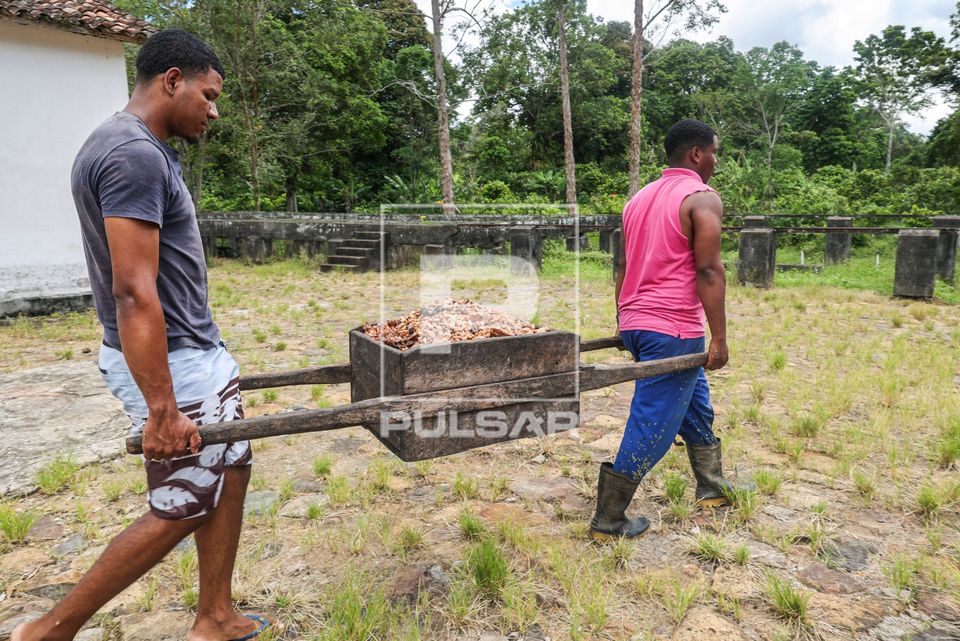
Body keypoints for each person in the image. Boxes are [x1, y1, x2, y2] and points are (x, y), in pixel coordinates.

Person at [14, 29, 276, 641]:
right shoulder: (131, 154)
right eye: (209, 96)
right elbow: (133, 290)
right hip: (176, 362)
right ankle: (49, 630)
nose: (214, 111)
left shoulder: (143, 147)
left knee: (231, 466)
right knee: (183, 502)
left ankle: (214, 615)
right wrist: (162, 406)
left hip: (194, 352)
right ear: (172, 79)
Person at [590, 118, 753, 540]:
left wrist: (624, 320)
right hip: (673, 328)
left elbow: (622, 266)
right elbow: (709, 269)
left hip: (638, 321)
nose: (716, 162)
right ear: (697, 154)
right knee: (654, 421)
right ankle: (609, 519)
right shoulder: (701, 198)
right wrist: (719, 337)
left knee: (695, 404)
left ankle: (712, 488)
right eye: (714, 152)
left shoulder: (638, 198)